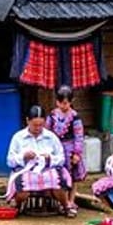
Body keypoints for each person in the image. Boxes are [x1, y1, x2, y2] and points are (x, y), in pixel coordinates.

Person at [4, 104, 73, 216]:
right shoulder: (18, 137)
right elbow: (10, 161)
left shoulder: (51, 137)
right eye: (35, 125)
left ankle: (66, 206)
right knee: (23, 187)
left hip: (48, 169)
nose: (38, 128)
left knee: (57, 180)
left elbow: (61, 159)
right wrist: (23, 157)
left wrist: (50, 158)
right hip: (25, 170)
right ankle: (16, 204)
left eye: (41, 125)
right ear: (27, 121)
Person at [46, 84, 86, 217]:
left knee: (73, 177)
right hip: (56, 149)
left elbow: (79, 136)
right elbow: (47, 133)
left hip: (70, 149)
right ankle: (60, 202)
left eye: (66, 103)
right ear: (57, 102)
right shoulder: (52, 116)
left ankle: (71, 201)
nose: (64, 106)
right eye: (61, 103)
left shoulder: (75, 117)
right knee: (59, 176)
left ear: (71, 102)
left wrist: (77, 153)